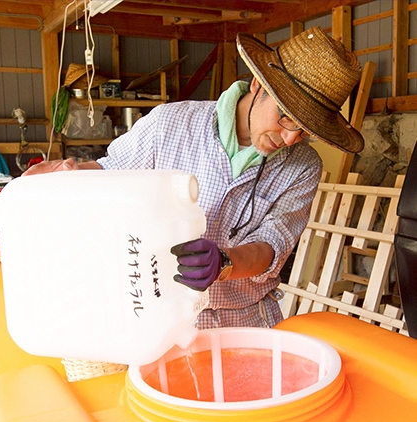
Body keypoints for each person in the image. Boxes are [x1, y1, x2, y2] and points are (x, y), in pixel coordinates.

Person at [24, 27, 364, 329]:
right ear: (260, 84)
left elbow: (273, 245)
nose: (290, 139)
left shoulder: (302, 165)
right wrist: (69, 175)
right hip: (161, 319)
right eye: (286, 117)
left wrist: (226, 263)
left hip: (245, 321)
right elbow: (113, 173)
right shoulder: (171, 125)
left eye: (306, 131)